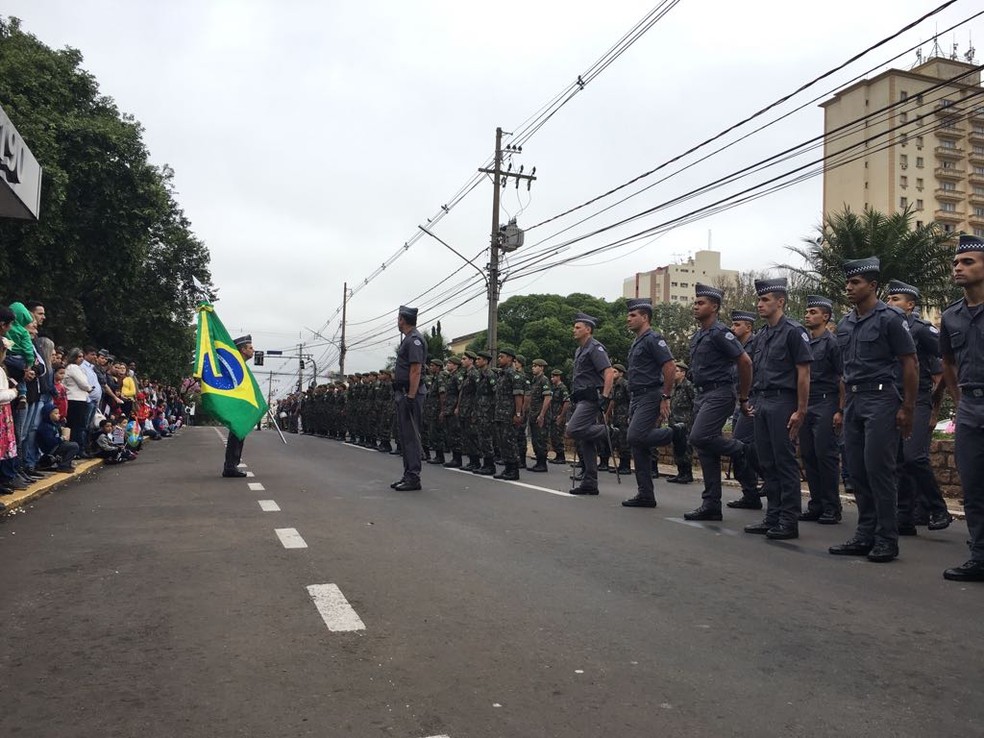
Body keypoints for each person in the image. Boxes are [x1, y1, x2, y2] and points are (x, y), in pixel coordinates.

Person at [829, 257, 917, 564]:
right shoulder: (844, 324)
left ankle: (886, 539)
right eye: (848, 283)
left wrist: (907, 406)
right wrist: (841, 408)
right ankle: (865, 534)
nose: (849, 288)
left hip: (881, 400)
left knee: (880, 471)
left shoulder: (891, 319)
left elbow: (910, 363)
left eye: (856, 283)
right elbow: (844, 372)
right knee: (858, 471)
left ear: (873, 286)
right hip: (853, 402)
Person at [741, 278, 812, 540]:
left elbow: (804, 373)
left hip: (784, 401)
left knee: (784, 463)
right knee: (767, 461)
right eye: (759, 300)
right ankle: (773, 516)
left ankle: (788, 520)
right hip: (763, 401)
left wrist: (801, 410)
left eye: (765, 300)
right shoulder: (762, 335)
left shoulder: (794, 331)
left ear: (780, 302)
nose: (760, 304)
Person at [885, 280, 953, 534]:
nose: (889, 303)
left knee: (915, 457)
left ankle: (937, 508)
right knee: (900, 460)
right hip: (893, 398)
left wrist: (936, 402)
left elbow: (948, 359)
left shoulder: (922, 329)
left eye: (895, 299)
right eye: (888, 299)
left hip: (919, 399)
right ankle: (905, 516)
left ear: (910, 305)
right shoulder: (888, 326)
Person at [685, 284, 753, 521]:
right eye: (695, 303)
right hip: (702, 394)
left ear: (714, 307)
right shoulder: (698, 335)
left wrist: (742, 396)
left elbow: (745, 362)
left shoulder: (720, 333)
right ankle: (711, 504)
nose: (695, 306)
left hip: (720, 393)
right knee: (705, 449)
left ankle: (741, 449)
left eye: (700, 303)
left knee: (698, 437)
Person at [938, 235, 984, 581]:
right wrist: (959, 399)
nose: (958, 268)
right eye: (956, 263)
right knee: (973, 486)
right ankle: (979, 556)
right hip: (970, 406)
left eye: (968, 262)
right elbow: (948, 363)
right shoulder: (951, 316)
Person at [619, 298, 679, 507]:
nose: (628, 319)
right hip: (637, 396)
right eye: (628, 315)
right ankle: (646, 494)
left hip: (651, 395)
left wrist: (665, 397)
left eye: (633, 315)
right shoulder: (637, 341)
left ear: (645, 317)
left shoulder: (654, 338)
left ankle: (675, 433)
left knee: (635, 436)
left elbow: (670, 366)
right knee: (639, 446)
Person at [798, 295, 845, 525]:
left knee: (825, 456)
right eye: (807, 312)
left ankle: (831, 507)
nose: (808, 315)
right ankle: (816, 504)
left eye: (813, 312)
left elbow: (841, 377)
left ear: (825, 317)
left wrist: (840, 410)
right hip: (808, 403)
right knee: (808, 455)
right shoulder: (805, 341)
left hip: (827, 402)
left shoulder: (832, 343)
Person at [565, 312, 615, 495]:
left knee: (573, 430)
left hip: (591, 398)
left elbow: (608, 372)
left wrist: (605, 396)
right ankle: (590, 483)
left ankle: (608, 432)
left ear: (588, 329)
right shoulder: (579, 350)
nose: (574, 330)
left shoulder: (595, 348)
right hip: (580, 397)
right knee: (587, 441)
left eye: (578, 327)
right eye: (575, 327)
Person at [725, 309, 764, 509]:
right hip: (740, 401)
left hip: (753, 399)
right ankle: (750, 494)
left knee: (744, 446)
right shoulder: (736, 348)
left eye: (737, 325)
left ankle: (770, 480)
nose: (732, 328)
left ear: (748, 326)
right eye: (732, 325)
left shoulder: (756, 345)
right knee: (741, 448)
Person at [391, 306, 427, 491]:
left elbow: (415, 369)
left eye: (398, 318)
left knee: (411, 437)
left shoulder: (414, 340)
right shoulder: (409, 339)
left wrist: (411, 396)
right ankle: (408, 475)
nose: (397, 322)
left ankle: (413, 478)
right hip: (404, 393)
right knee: (406, 437)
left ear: (402, 319)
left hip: (410, 394)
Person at [221, 335, 256, 477]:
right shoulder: (236, 366)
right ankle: (230, 466)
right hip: (236, 405)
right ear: (242, 350)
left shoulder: (241, 365)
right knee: (236, 435)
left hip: (240, 406)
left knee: (239, 435)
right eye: (250, 348)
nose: (253, 350)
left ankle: (232, 465)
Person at [492, 348, 524, 480]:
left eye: (502, 357)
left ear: (510, 359)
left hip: (509, 413)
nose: (499, 359)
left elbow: (518, 395)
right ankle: (507, 468)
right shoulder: (501, 374)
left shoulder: (513, 374)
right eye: (498, 357)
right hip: (500, 413)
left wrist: (517, 413)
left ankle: (514, 470)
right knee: (502, 442)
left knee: (510, 441)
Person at [666, 362, 696, 484]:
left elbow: (695, 402)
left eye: (677, 371)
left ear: (683, 373)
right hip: (674, 420)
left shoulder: (688, 386)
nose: (674, 373)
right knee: (677, 447)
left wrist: (692, 419)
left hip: (685, 421)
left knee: (685, 447)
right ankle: (680, 472)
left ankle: (687, 473)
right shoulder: (673, 386)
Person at [36, 403, 79, 472]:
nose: (58, 415)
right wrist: (62, 438)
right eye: (56, 414)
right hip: (50, 449)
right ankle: (64, 466)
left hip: (55, 446)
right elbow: (50, 441)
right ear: (48, 414)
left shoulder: (54, 424)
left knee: (71, 444)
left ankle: (65, 463)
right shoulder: (46, 427)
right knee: (74, 446)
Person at [527, 359, 552, 472]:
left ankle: (542, 464)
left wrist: (542, 415)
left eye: (536, 366)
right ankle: (538, 462)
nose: (533, 368)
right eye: (533, 366)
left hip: (540, 415)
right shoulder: (535, 380)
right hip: (533, 414)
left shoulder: (544, 380)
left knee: (541, 439)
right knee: (535, 440)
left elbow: (547, 398)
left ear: (541, 368)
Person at [608, 364, 631, 476]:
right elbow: (612, 401)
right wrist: (608, 414)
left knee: (624, 441)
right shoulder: (614, 386)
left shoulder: (625, 384)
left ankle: (626, 466)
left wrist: (630, 416)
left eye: (615, 372)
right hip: (617, 416)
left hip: (624, 416)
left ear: (621, 373)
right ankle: (621, 464)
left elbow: (631, 400)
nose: (613, 374)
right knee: (618, 441)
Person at [442, 355, 464, 468]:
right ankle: (454, 457)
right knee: (450, 433)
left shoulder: (458, 376)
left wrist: (457, 407)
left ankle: (457, 458)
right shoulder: (451, 376)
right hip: (448, 408)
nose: (447, 365)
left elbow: (461, 392)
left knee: (456, 434)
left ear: (455, 365)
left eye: (449, 363)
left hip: (454, 407)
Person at [547, 370, 570, 464]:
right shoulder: (553, 388)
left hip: (559, 416)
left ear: (558, 377)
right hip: (553, 415)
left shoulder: (562, 388)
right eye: (551, 377)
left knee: (558, 436)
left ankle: (561, 456)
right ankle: (558, 455)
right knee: (553, 436)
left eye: (554, 377)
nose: (552, 379)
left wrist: (561, 416)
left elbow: (566, 402)